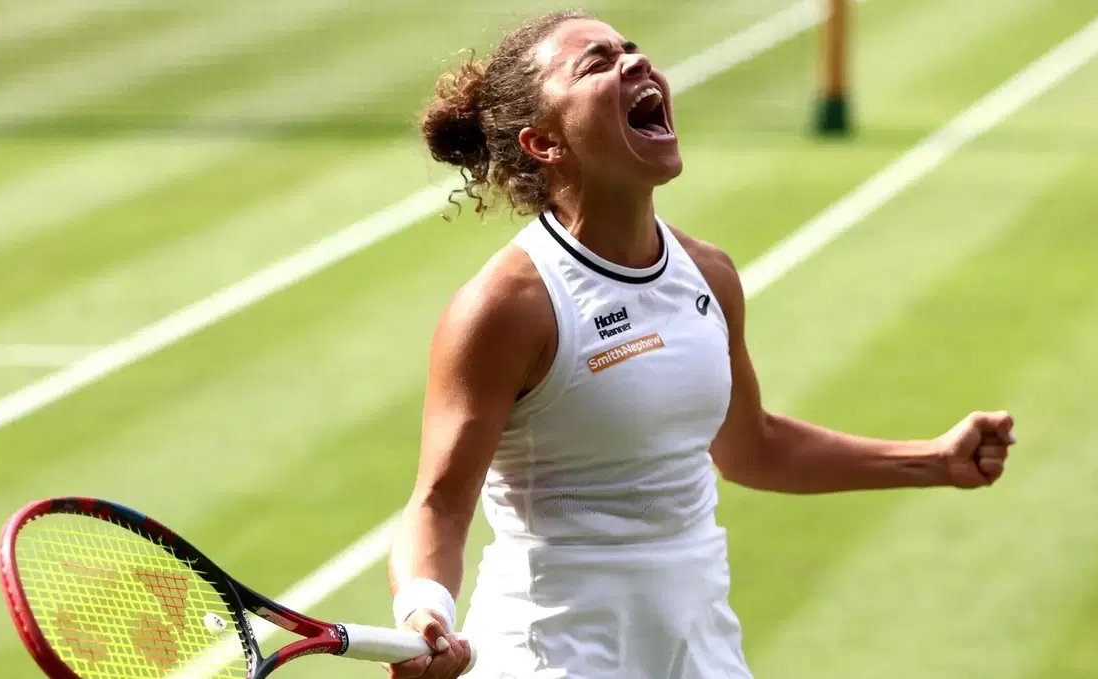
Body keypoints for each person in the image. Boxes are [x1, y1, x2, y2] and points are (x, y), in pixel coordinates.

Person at [383, 9, 1014, 679]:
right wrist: (425, 608)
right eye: (596, 65)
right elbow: (439, 503)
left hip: (703, 658)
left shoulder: (708, 273)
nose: (635, 62)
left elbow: (751, 445)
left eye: (630, 49)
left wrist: (934, 459)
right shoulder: (509, 306)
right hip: (555, 661)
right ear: (544, 142)